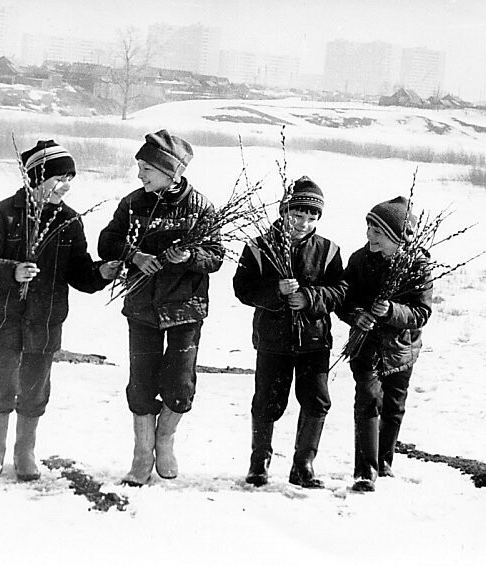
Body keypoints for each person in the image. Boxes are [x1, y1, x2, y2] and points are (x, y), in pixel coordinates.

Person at [0, 139, 120, 485]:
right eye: (59, 178)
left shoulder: (68, 221)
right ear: (36, 178)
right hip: (5, 319)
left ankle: (24, 454)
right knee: (1, 386)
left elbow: (79, 272)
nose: (66, 186)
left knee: (35, 391)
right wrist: (12, 272)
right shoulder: (3, 213)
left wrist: (101, 273)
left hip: (46, 322)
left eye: (71, 179)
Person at [97, 130, 223, 486]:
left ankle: (164, 440)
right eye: (139, 168)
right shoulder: (133, 203)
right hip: (142, 308)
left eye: (146, 169)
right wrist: (134, 255)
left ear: (172, 172)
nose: (140, 176)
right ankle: (142, 451)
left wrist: (189, 256)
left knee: (181, 385)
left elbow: (215, 256)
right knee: (140, 383)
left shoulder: (201, 208)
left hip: (186, 310)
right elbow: (107, 240)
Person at [233, 177, 346, 488]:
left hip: (314, 342)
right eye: (297, 216)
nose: (303, 224)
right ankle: (259, 462)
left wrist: (309, 298)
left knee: (316, 401)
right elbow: (242, 289)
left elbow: (339, 291)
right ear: (284, 211)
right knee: (267, 400)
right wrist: (276, 292)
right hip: (272, 341)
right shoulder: (258, 247)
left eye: (311, 218)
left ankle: (303, 464)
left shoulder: (328, 250)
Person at [337, 196, 433, 492]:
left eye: (377, 232)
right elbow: (344, 298)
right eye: (368, 228)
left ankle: (384, 461)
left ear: (397, 237)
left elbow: (421, 313)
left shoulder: (418, 266)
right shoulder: (358, 260)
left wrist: (391, 311)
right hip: (365, 345)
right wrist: (356, 316)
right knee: (367, 400)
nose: (369, 236)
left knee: (393, 406)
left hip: (401, 350)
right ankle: (365, 471)